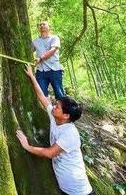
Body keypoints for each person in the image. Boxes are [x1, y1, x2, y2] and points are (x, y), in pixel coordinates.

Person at [16, 65, 94, 195]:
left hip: (80, 191)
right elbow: (42, 97)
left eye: (57, 106)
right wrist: (32, 77)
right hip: (65, 189)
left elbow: (50, 153)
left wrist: (27, 146)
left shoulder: (70, 134)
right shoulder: (55, 117)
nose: (54, 106)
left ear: (66, 115)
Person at [32, 21, 65, 99]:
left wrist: (40, 58)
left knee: (59, 94)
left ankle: (64, 110)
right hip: (41, 71)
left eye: (44, 24)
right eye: (40, 25)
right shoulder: (35, 41)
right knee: (41, 94)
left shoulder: (54, 38)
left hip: (54, 70)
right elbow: (28, 51)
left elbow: (52, 50)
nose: (42, 26)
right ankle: (48, 110)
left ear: (49, 27)